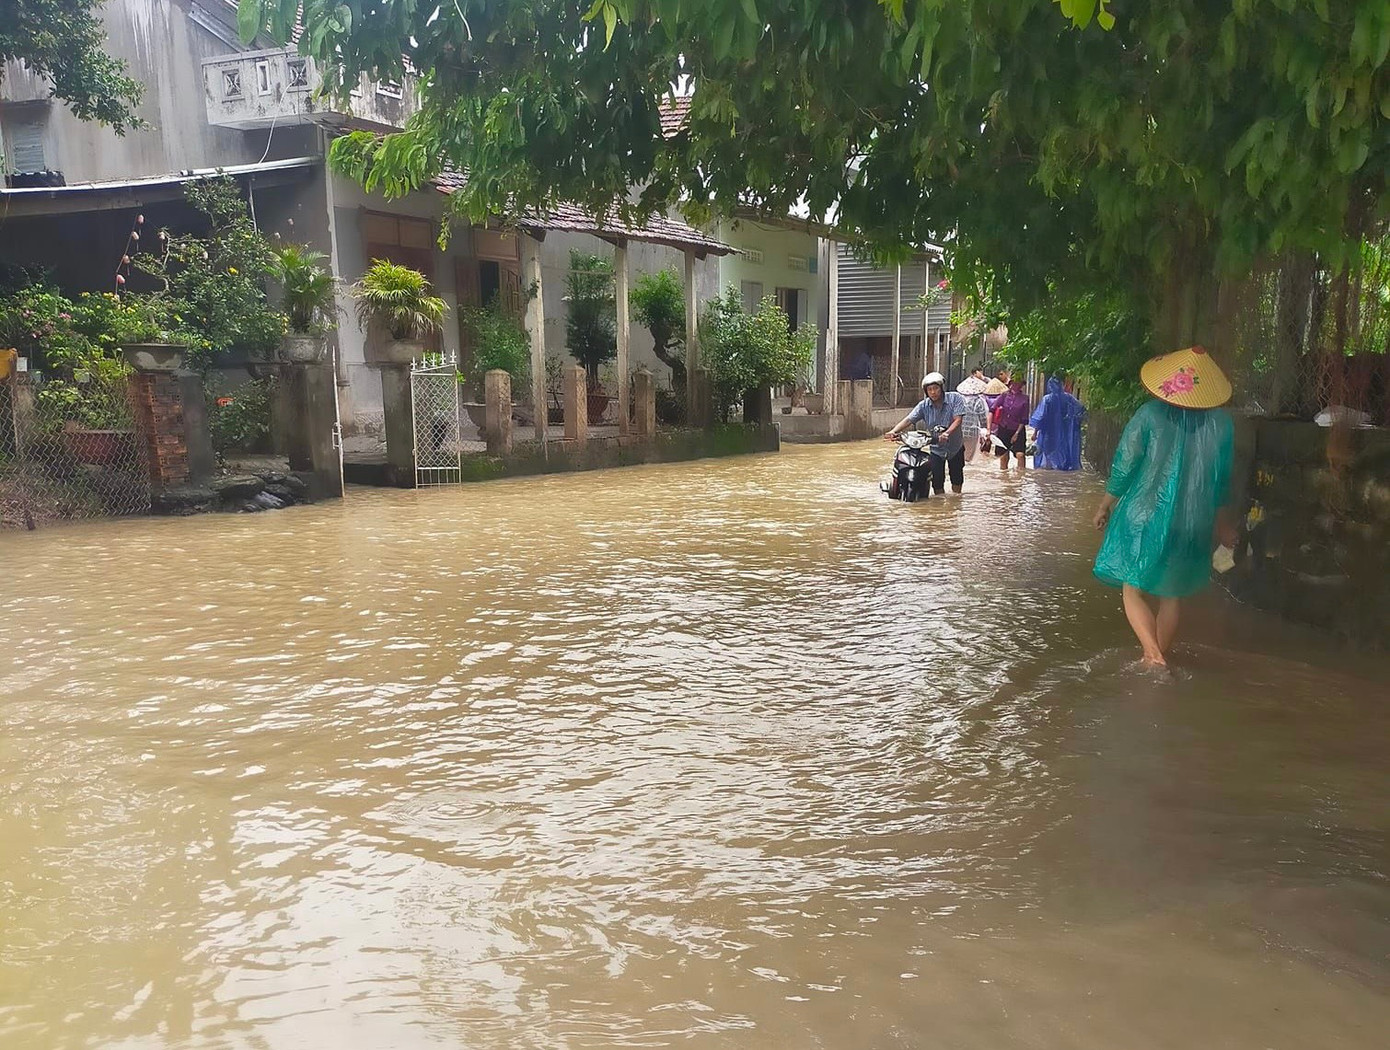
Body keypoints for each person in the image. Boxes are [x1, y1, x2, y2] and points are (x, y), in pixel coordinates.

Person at [1092, 346, 1237, 667]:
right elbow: (1220, 481)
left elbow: (1125, 464)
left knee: (1133, 588)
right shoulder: (1222, 425)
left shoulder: (1150, 414)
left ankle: (1153, 655)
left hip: (1144, 516)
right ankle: (1155, 657)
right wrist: (1222, 524)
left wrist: (1105, 504)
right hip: (1192, 522)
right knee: (1171, 594)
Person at [884, 372, 967, 495]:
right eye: (930, 390)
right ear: (926, 391)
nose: (933, 392)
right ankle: (939, 506)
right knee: (937, 481)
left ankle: (956, 503)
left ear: (941, 388)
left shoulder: (955, 398)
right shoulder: (924, 406)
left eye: (936, 388)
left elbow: (958, 420)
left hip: (955, 447)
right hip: (936, 448)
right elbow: (909, 419)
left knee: (957, 478)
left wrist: (947, 433)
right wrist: (893, 431)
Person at [1030, 376, 1086, 470]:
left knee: (1047, 453)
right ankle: (1060, 471)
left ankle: (1049, 474)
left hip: (1048, 432)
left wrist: (1035, 433)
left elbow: (1039, 417)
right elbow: (1081, 410)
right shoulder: (1068, 398)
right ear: (1061, 385)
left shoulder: (1047, 399)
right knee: (1063, 451)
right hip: (1064, 431)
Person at [991, 379, 1030, 470]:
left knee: (1020, 455)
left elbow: (1024, 419)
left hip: (1018, 429)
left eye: (1019, 383)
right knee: (1003, 456)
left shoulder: (1025, 398)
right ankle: (1004, 478)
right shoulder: (1004, 396)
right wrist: (989, 429)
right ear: (1010, 384)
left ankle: (1020, 477)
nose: (1016, 385)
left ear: (1021, 385)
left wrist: (1016, 434)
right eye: (1014, 383)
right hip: (1003, 428)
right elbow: (992, 410)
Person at [956, 374, 991, 463]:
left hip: (958, 430)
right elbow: (982, 416)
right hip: (972, 432)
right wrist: (985, 428)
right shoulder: (978, 400)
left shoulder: (958, 399)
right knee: (968, 456)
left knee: (958, 454)